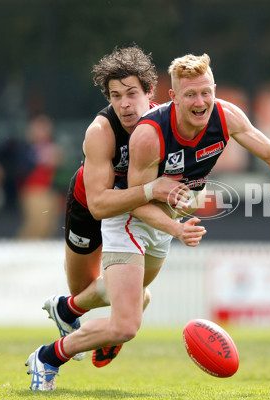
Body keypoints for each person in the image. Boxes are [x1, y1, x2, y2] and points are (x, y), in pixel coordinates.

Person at [26, 53, 270, 391]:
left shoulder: (225, 115)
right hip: (126, 215)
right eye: (190, 94)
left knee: (138, 298)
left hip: (163, 214)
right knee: (126, 325)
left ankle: (67, 309)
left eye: (206, 92)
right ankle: (47, 357)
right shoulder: (146, 135)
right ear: (172, 97)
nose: (200, 101)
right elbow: (130, 202)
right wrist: (175, 226)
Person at [34, 45, 194, 374]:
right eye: (115, 95)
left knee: (136, 296)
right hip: (90, 207)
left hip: (133, 210)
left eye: (131, 93)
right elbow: (99, 204)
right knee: (88, 289)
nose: (123, 104)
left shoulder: (165, 123)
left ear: (150, 92)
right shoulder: (100, 132)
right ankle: (71, 308)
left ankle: (72, 313)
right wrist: (151, 190)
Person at [16, 114, 63, 239]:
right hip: (33, 190)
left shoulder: (50, 145)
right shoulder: (26, 147)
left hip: (49, 190)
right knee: (36, 225)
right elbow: (21, 167)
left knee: (48, 226)